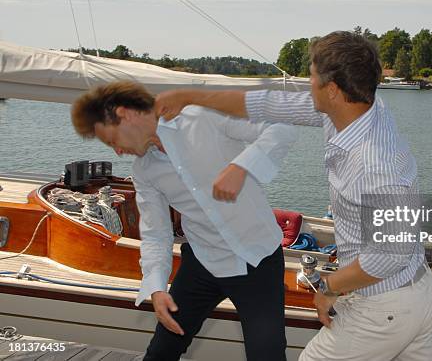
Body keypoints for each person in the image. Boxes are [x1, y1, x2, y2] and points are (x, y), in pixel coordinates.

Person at [155, 31, 432, 361]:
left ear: (332, 90)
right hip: (414, 295)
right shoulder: (357, 110)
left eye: (312, 76)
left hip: (384, 307)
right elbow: (269, 103)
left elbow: (389, 254)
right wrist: (192, 96)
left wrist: (329, 288)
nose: (308, 83)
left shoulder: (375, 163)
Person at [71, 81, 295, 361]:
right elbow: (155, 233)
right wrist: (155, 287)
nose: (117, 151)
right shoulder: (144, 170)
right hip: (202, 262)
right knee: (160, 353)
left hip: (257, 259)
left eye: (112, 140)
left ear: (124, 114)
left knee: (267, 357)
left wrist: (242, 166)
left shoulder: (203, 116)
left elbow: (281, 127)